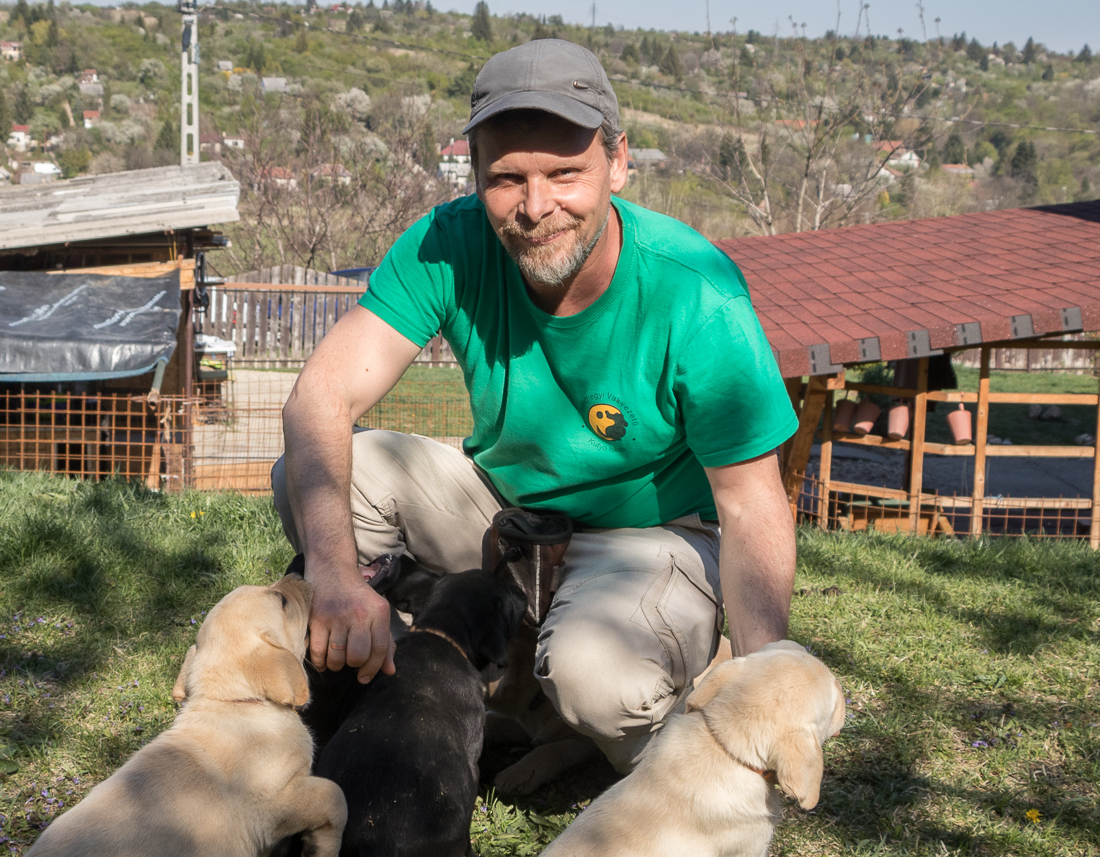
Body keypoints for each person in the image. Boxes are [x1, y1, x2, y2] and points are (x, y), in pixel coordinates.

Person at [272, 38, 799, 775]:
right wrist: (333, 575)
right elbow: (319, 397)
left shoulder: (696, 291)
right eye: (507, 178)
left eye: (564, 173)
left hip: (650, 535)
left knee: (600, 685)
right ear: (475, 174)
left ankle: (605, 710)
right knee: (320, 472)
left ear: (619, 161)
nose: (536, 206)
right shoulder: (447, 244)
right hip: (508, 514)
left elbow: (750, 504)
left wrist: (763, 682)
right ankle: (424, 692)